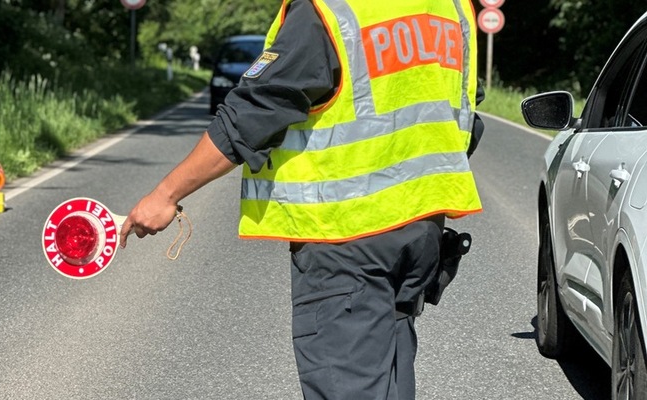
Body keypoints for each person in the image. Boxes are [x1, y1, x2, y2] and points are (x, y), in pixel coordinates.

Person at [119, 0, 483, 398]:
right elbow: (464, 108)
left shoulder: (329, 10)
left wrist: (166, 194)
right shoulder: (451, 7)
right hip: (421, 228)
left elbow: (255, 109)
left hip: (346, 236)